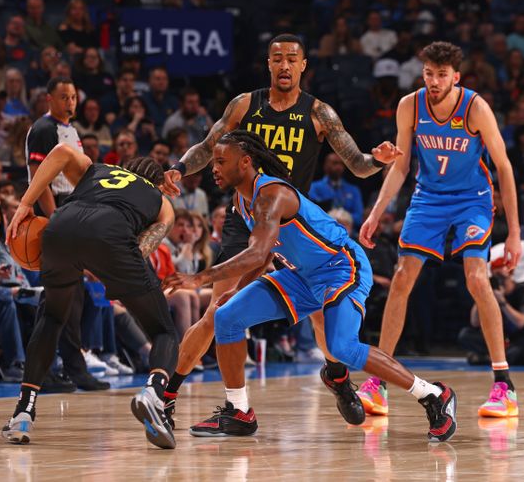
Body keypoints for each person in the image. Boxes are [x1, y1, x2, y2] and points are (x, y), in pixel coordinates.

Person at [160, 34, 395, 427]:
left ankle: (337, 377)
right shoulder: (244, 105)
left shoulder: (320, 114)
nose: (284, 66)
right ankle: (184, 399)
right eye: (277, 59)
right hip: (246, 218)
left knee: (323, 317)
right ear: (267, 64)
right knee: (220, 311)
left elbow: (355, 162)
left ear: (303, 66)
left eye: (292, 59)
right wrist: (178, 168)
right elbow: (206, 146)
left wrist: (378, 159)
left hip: (294, 225)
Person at [163, 131, 456, 441]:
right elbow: (265, 254)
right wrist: (240, 289)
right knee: (227, 316)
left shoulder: (271, 195)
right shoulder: (242, 199)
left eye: (221, 161)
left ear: (246, 162)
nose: (214, 168)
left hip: (341, 268)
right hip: (301, 275)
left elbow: (258, 252)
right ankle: (239, 412)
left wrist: (198, 278)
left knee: (341, 345)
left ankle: (433, 395)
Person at [359, 41, 522, 419]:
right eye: (429, 74)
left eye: (442, 75)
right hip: (428, 197)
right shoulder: (409, 106)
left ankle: (504, 385)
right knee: (401, 278)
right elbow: (400, 166)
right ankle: (378, 382)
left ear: (456, 77)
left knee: (477, 280)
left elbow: (505, 167)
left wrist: (513, 232)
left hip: (472, 199)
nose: (434, 81)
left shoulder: (476, 108)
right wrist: (376, 212)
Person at [0, 146, 179, 449]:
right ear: (160, 183)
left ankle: (23, 413)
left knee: (52, 316)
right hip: (111, 236)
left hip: (59, 228)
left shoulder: (98, 170)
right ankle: (153, 394)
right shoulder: (162, 202)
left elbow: (61, 151)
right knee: (163, 331)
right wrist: (112, 272)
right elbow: (143, 247)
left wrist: (25, 204)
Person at [24, 77, 104, 392]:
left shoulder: (71, 131)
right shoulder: (44, 130)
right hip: (54, 213)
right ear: (49, 99)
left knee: (70, 294)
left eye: (73, 97)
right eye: (63, 97)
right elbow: (38, 178)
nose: (70, 102)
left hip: (72, 212)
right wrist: (54, 216)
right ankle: (56, 368)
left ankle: (64, 367)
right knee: (61, 295)